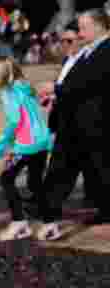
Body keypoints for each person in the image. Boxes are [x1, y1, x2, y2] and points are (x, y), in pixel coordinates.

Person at [40, 9, 110, 230]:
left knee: (95, 168)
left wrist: (57, 89)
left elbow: (93, 81)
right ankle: (49, 209)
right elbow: (78, 79)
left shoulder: (107, 49)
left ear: (98, 25)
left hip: (95, 120)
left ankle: (50, 210)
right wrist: (57, 93)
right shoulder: (90, 49)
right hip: (77, 120)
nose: (79, 32)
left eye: (83, 27)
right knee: (81, 168)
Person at [0, 58, 52, 241]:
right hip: (42, 142)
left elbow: (14, 120)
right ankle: (50, 223)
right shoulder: (26, 87)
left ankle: (19, 222)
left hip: (26, 144)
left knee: (6, 179)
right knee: (35, 183)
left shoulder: (7, 91)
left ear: (3, 75)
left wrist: (4, 145)